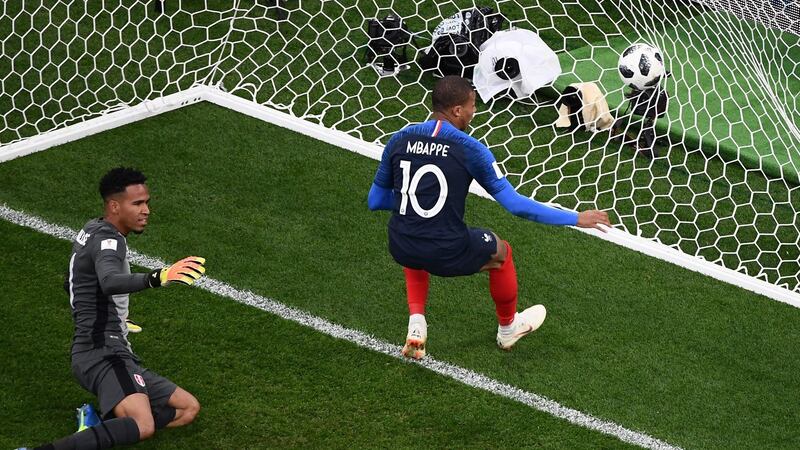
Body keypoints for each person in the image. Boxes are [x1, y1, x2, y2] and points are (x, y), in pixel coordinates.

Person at [368, 76, 611, 359]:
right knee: (501, 253)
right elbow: (516, 205)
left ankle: (417, 323)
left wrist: (417, 201)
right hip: (446, 250)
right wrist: (574, 218)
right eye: (472, 105)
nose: (474, 112)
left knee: (416, 230)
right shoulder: (471, 149)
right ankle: (508, 329)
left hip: (400, 247)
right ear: (457, 110)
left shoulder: (399, 139)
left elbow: (375, 201)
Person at [22, 167, 206, 450]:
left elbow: (72, 282)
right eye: (137, 204)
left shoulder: (91, 229)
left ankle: (99, 426)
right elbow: (108, 281)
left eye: (147, 202)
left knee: (187, 408)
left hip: (108, 347)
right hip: (102, 352)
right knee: (143, 426)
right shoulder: (110, 241)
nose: (146, 210)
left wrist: (114, 315)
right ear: (114, 206)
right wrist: (158, 277)